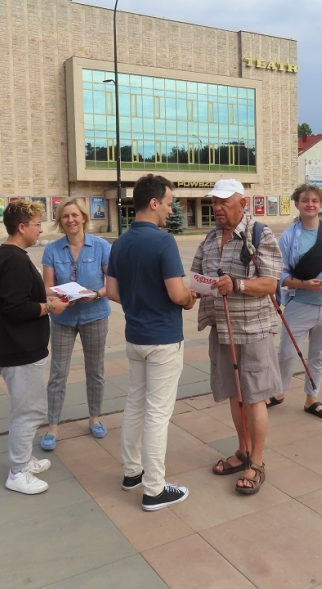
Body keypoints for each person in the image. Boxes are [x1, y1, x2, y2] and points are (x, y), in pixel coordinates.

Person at [106, 174, 196, 511]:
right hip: (163, 338)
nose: (171, 210)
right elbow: (176, 293)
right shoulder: (163, 242)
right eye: (169, 203)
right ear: (154, 202)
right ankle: (155, 489)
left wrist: (138, 302)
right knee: (157, 414)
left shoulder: (120, 242)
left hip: (136, 337)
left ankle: (132, 472)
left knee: (135, 405)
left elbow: (111, 291)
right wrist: (190, 298)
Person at [190, 179, 283, 495]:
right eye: (214, 203)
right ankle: (243, 450)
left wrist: (238, 285)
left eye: (223, 202)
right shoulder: (210, 238)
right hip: (222, 328)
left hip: (253, 330)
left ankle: (256, 461)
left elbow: (271, 283)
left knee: (254, 396)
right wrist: (191, 292)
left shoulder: (260, 234)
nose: (217, 208)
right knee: (234, 393)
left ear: (242, 204)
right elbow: (197, 276)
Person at [0, 199, 69, 495]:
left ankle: (23, 459)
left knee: (24, 409)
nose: (41, 229)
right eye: (37, 224)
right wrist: (50, 307)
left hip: (19, 347)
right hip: (19, 350)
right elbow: (15, 308)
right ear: (22, 227)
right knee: (29, 411)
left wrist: (49, 297)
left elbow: (21, 297)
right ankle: (18, 472)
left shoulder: (12, 255)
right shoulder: (13, 260)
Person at [270, 184, 322, 420]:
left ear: (321, 204)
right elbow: (280, 274)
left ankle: (311, 399)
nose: (310, 204)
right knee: (286, 352)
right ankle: (278, 392)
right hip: (300, 305)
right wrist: (304, 284)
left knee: (319, 355)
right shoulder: (288, 237)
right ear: (297, 204)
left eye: (315, 200)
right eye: (305, 200)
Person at [39, 197, 112, 451]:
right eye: (65, 216)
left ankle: (95, 418)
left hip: (95, 314)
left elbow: (113, 283)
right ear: (60, 220)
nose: (70, 220)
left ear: (83, 217)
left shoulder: (101, 246)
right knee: (58, 373)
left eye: (74, 215)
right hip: (63, 318)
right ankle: (52, 427)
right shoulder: (52, 249)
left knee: (95, 370)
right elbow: (47, 287)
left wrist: (96, 294)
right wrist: (60, 295)